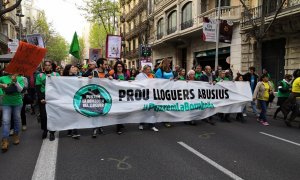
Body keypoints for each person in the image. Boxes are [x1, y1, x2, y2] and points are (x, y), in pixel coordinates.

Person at [36, 60, 60, 141]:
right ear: (43, 66)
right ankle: (45, 130)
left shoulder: (56, 74)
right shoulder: (39, 75)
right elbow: (38, 89)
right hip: (43, 97)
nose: (47, 66)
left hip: (53, 98)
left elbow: (60, 86)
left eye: (49, 65)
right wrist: (41, 98)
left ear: (51, 66)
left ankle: (52, 132)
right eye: (46, 65)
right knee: (43, 116)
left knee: (52, 115)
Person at [0, 74, 24, 152]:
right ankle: (5, 140)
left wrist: (15, 81)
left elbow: (20, 90)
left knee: (17, 119)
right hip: (6, 103)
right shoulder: (3, 78)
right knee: (6, 121)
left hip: (17, 102)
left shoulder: (20, 78)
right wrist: (1, 85)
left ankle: (16, 135)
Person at [135, 65, 158, 132]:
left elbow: (157, 82)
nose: (149, 71)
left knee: (151, 110)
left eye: (149, 69)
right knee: (144, 110)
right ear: (144, 70)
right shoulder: (139, 76)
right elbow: (136, 84)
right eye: (147, 69)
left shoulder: (152, 76)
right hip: (143, 95)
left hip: (151, 95)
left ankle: (152, 125)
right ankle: (141, 124)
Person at [109, 61, 128, 134]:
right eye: (118, 66)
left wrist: (129, 81)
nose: (119, 68)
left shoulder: (126, 74)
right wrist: (111, 78)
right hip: (116, 95)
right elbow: (107, 79)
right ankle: (118, 127)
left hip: (124, 95)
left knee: (123, 110)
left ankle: (121, 123)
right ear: (116, 68)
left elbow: (130, 82)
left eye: (120, 66)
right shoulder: (113, 74)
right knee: (118, 111)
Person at [63, 64, 81, 139]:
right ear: (68, 70)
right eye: (72, 67)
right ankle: (70, 130)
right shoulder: (63, 78)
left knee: (75, 114)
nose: (74, 68)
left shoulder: (77, 77)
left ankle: (75, 131)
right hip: (67, 99)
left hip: (75, 98)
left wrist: (82, 79)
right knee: (69, 115)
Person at [155, 58, 174, 128]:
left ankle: (167, 118)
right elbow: (157, 80)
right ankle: (165, 120)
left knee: (168, 105)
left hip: (170, 90)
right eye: (168, 63)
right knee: (164, 105)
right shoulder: (159, 70)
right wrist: (167, 80)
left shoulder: (170, 70)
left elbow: (172, 77)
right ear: (165, 63)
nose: (169, 64)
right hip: (162, 91)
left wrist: (174, 79)